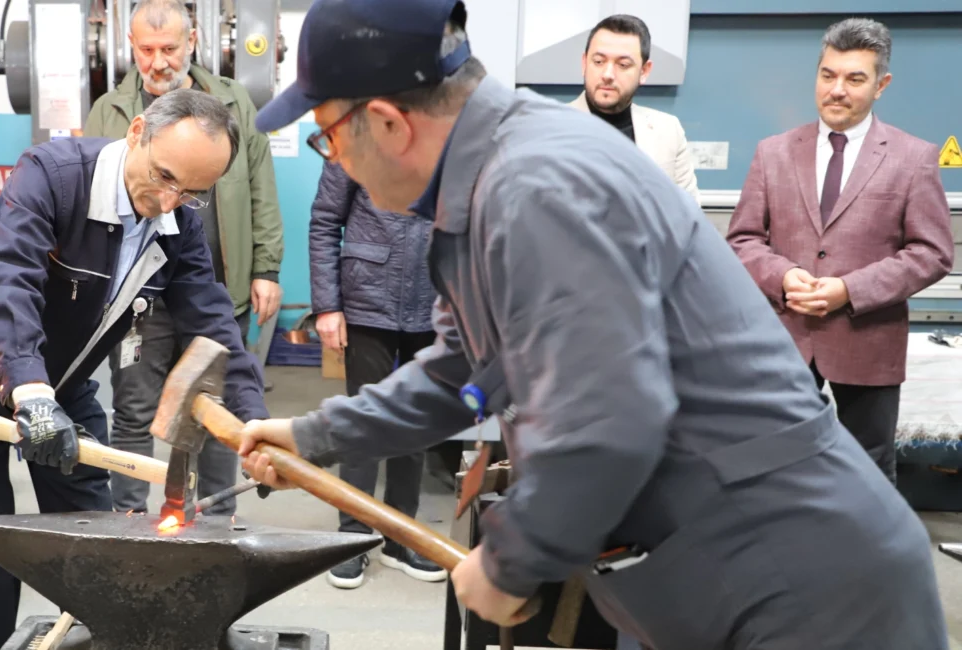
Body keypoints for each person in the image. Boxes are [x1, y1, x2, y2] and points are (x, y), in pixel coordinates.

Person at [234, 1, 949, 649]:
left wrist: (512, 561)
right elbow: (464, 375)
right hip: (716, 577)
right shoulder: (484, 186)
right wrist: (315, 436)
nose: (341, 164)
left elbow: (610, 417)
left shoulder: (536, 187)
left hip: (798, 584)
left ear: (389, 122)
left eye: (330, 139)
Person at [0, 88, 269, 650]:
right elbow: (8, 280)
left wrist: (253, 422)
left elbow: (213, 324)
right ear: (137, 132)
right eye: (163, 176)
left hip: (65, 379)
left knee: (96, 535)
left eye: (193, 192)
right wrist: (30, 393)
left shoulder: (176, 222)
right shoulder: (52, 176)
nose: (170, 199)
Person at [726, 17, 953, 485]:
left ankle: (863, 560)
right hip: (783, 342)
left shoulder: (914, 157)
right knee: (771, 468)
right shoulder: (774, 152)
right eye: (828, 75)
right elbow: (743, 240)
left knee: (865, 475)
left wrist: (849, 290)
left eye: (854, 79)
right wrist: (783, 276)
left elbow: (932, 252)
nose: (837, 90)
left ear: (881, 84)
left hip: (866, 342)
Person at [83, 0, 284, 516]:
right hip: (138, 300)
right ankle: (128, 520)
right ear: (131, 47)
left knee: (215, 413)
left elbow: (261, 186)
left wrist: (266, 267)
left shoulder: (234, 102)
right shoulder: (110, 110)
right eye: (146, 50)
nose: (158, 61)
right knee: (132, 411)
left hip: (217, 288)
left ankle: (215, 520)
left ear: (191, 43)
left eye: (169, 48)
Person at [310, 161, 445, 588]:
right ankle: (354, 535)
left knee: (417, 425)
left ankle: (400, 538)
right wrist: (327, 305)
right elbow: (325, 222)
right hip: (368, 298)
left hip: (435, 303)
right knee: (363, 422)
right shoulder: (358, 137)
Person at [568, 14, 699, 204]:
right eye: (598, 62)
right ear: (584, 63)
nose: (607, 74)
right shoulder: (546, 128)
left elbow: (690, 216)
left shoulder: (668, 131)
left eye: (623, 65)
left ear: (644, 71)